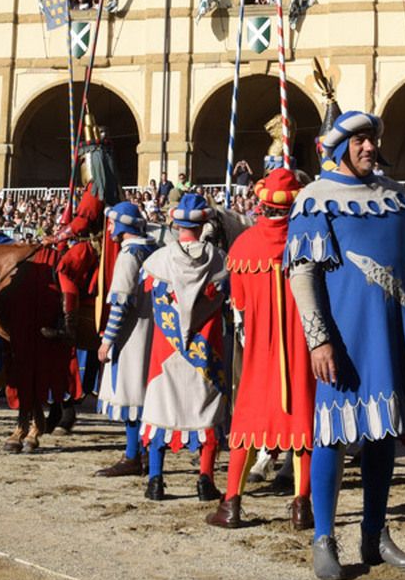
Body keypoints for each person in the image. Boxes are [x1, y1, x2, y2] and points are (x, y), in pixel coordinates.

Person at [287, 111, 405, 580]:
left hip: (392, 332)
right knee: (333, 436)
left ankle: (374, 535)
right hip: (344, 338)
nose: (369, 147)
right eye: (358, 140)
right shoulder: (315, 201)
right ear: (337, 148)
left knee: (382, 433)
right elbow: (303, 275)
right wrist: (319, 341)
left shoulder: (394, 197)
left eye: (372, 139)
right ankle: (324, 539)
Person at [209, 169, 316, 530]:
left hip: (258, 350)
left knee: (248, 423)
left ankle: (232, 504)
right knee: (302, 423)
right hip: (301, 347)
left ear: (262, 203)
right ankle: (302, 506)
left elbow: (238, 301)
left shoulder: (242, 247)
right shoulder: (309, 242)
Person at [139, 193, 231, 503]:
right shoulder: (219, 259)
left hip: (166, 351)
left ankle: (156, 480)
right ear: (204, 223)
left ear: (175, 224)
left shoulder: (157, 261)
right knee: (206, 410)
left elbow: (148, 297)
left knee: (160, 408)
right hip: (205, 351)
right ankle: (205, 479)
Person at [93, 201, 159, 477]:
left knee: (131, 394)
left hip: (133, 334)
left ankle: (133, 455)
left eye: (111, 223)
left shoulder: (129, 255)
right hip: (153, 331)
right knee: (143, 394)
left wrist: (108, 340)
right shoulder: (154, 250)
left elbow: (120, 302)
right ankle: (142, 452)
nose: (108, 228)